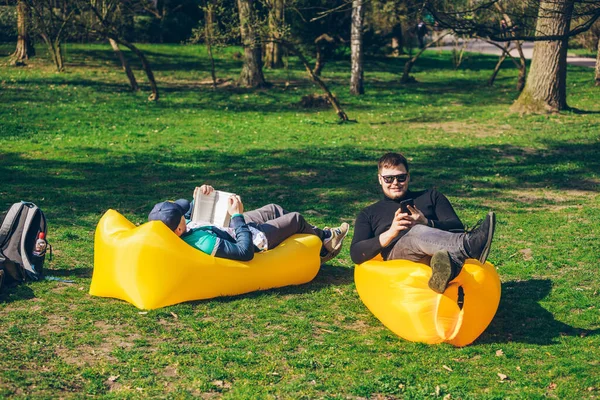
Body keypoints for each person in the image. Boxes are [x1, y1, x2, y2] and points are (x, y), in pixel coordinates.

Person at [350, 152, 496, 293]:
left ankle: (445, 270)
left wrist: (427, 222)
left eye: (400, 178)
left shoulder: (432, 196)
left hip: (436, 250)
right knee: (417, 231)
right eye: (389, 179)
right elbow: (356, 253)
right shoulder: (369, 213)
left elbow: (456, 227)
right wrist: (391, 232)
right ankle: (469, 246)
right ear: (380, 179)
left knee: (427, 237)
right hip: (399, 253)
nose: (395, 183)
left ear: (408, 177)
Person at [149, 185, 349, 264]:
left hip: (222, 226)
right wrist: (237, 216)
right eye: (182, 215)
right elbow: (244, 252)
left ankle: (322, 237)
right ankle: (325, 244)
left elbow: (191, 219)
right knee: (295, 218)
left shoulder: (178, 231)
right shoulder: (202, 243)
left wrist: (199, 198)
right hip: (248, 237)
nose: (184, 213)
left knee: (273, 208)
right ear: (178, 229)